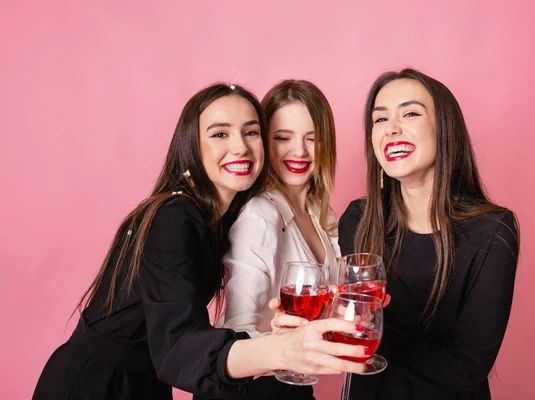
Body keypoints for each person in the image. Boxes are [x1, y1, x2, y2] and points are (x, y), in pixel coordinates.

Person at [32, 83, 366, 400]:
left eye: (250, 132)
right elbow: (177, 345)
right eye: (220, 133)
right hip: (95, 385)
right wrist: (281, 348)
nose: (240, 146)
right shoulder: (175, 216)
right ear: (192, 144)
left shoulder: (213, 217)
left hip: (147, 380)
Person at [338, 69, 520, 400]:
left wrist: (370, 348)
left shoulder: (493, 231)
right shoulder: (357, 219)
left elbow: (467, 364)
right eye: (380, 120)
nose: (391, 128)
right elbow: (352, 323)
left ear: (445, 130)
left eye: (409, 113)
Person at [219, 80, 340, 399]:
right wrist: (281, 345)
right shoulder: (260, 215)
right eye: (283, 138)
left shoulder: (322, 215)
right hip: (253, 389)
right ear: (263, 142)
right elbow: (236, 331)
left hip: (292, 382)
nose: (299, 151)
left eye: (312, 139)